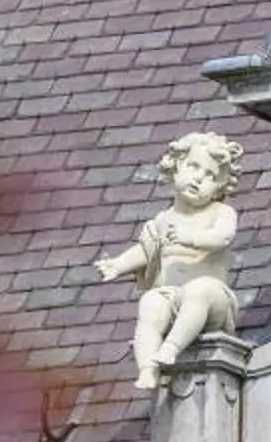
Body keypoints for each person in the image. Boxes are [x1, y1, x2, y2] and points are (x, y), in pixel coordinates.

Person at [92, 132, 244, 389]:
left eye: (210, 175)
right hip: (173, 296)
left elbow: (222, 238)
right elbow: (146, 251)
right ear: (174, 169)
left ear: (220, 186)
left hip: (214, 302)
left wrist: (190, 237)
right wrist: (117, 265)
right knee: (150, 303)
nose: (199, 177)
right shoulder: (163, 220)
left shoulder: (221, 212)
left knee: (200, 289)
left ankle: (171, 348)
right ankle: (148, 369)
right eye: (193, 167)